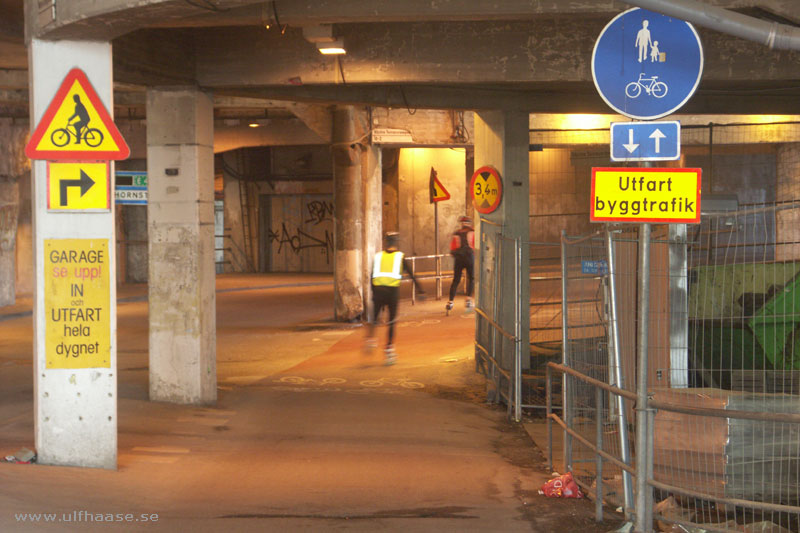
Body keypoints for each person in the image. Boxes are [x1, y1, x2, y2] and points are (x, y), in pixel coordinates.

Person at [365, 232, 425, 365]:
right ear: (396, 242)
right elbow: (411, 275)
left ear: (386, 242)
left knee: (374, 318)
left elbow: (371, 276)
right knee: (391, 322)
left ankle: (370, 340)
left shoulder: (378, 256)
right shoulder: (400, 257)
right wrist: (421, 290)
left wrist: (373, 291)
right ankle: (389, 351)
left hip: (378, 291)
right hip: (392, 293)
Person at [446, 215, 475, 313]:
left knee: (456, 280)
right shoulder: (472, 232)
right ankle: (468, 299)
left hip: (459, 259)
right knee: (471, 278)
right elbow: (475, 246)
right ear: (469, 223)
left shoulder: (456, 233)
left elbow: (453, 248)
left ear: (462, 224)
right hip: (469, 258)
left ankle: (450, 302)